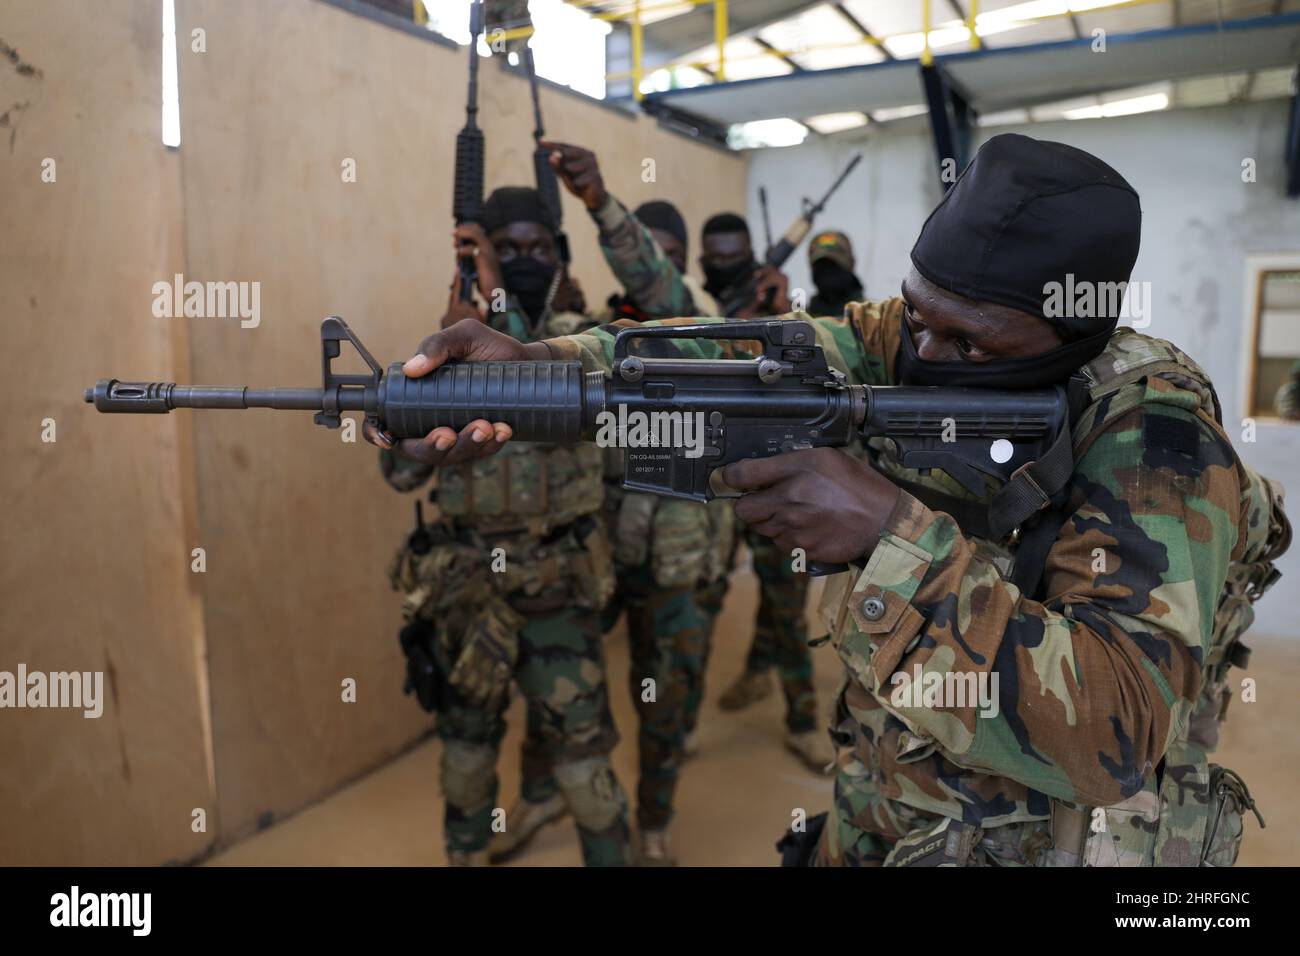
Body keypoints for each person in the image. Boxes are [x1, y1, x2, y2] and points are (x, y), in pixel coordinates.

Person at [370, 133, 1288, 868]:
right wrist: (552, 368)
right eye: (917, 313)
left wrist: (885, 534)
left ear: (1074, 337)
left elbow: (1117, 731)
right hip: (888, 804)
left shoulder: (1158, 437)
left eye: (972, 345)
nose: (926, 354)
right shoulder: (913, 334)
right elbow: (741, 355)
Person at [491, 142, 734, 866]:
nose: (649, 268)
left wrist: (598, 203)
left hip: (680, 551)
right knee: (558, 674)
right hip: (600, 544)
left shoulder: (704, 322)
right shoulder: (598, 328)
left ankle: (653, 820)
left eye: (663, 255)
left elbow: (664, 303)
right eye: (643, 253)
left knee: (665, 701)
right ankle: (539, 793)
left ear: (677, 262)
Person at [374, 185, 633, 867]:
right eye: (504, 249)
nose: (522, 259)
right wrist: (423, 418)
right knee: (464, 757)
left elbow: (601, 451)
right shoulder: (447, 345)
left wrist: (496, 302)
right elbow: (401, 478)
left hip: (560, 584)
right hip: (467, 591)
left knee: (587, 770)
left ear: (559, 254)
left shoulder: (589, 335)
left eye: (536, 248)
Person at [696, 212, 831, 773]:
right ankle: (679, 722)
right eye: (717, 255)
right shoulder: (689, 316)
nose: (728, 263)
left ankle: (801, 720)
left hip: (773, 481)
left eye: (738, 254)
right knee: (699, 605)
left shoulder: (777, 314)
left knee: (785, 607)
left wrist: (777, 318)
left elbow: (811, 375)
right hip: (702, 490)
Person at [806, 230, 865, 317]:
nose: (827, 272)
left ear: (851, 263)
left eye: (833, 265)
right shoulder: (799, 323)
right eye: (820, 266)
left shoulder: (873, 320)